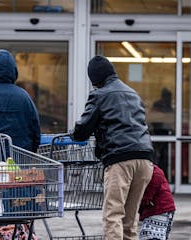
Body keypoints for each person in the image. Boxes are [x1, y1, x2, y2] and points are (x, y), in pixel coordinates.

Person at [70, 55, 154, 240]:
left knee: (113, 215)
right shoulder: (133, 93)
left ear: (95, 78)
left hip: (120, 159)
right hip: (145, 159)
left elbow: (82, 130)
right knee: (129, 220)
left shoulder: (100, 94)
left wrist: (73, 134)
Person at [0, 49, 40, 239]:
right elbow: (35, 131)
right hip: (17, 166)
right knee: (18, 209)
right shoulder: (24, 97)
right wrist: (29, 153)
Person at [138, 164, 176, 240]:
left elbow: (148, 194)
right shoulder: (154, 171)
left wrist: (140, 205)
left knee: (151, 234)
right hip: (162, 208)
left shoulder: (154, 173)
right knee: (157, 234)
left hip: (160, 208)